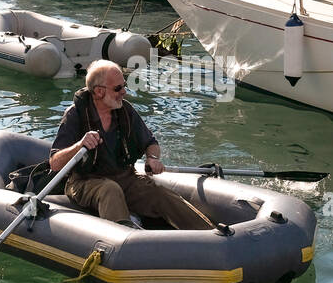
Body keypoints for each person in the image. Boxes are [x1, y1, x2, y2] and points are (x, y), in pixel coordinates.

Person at [49, 60, 214, 231]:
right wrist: (79, 145)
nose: (124, 92)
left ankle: (211, 234)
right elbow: (55, 163)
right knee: (109, 189)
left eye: (124, 85)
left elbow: (151, 143)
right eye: (118, 88)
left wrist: (153, 158)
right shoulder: (75, 115)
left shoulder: (125, 111)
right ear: (99, 91)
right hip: (85, 181)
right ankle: (126, 241)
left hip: (125, 177)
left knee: (159, 192)